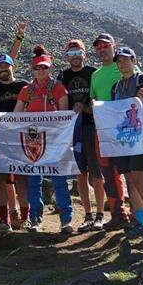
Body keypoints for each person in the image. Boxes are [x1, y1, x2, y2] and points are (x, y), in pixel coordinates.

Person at [14, 45, 74, 234]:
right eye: (37, 68)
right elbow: (15, 115)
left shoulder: (58, 88)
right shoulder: (26, 90)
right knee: (33, 181)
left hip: (55, 141)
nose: (41, 71)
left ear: (50, 68)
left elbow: (64, 115)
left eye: (44, 68)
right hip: (34, 141)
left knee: (59, 179)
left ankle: (66, 220)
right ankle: (35, 219)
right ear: (32, 69)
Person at [110, 47, 143, 238]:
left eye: (126, 60)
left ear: (134, 60)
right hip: (124, 140)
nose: (122, 63)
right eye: (119, 61)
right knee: (131, 181)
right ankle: (140, 221)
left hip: (142, 140)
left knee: (140, 180)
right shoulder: (115, 87)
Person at [58, 40, 105, 232]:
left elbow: (98, 99)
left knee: (96, 173)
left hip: (91, 127)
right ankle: (87, 215)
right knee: (80, 173)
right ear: (66, 56)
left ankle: (100, 214)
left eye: (78, 52)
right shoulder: (63, 76)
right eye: (71, 53)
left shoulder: (93, 73)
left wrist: (85, 107)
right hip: (72, 130)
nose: (75, 56)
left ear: (84, 54)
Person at [89, 34, 130, 230]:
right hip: (103, 130)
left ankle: (139, 215)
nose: (102, 49)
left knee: (130, 172)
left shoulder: (124, 65)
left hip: (127, 128)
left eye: (106, 45)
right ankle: (118, 214)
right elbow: (94, 101)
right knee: (108, 173)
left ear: (114, 46)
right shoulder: (95, 76)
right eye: (99, 47)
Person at [0, 53, 30, 230]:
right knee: (0, 181)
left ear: (13, 67)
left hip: (22, 139)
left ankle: (25, 218)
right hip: (0, 140)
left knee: (21, 180)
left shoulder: (24, 86)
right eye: (0, 67)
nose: (4, 69)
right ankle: (5, 220)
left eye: (7, 66)